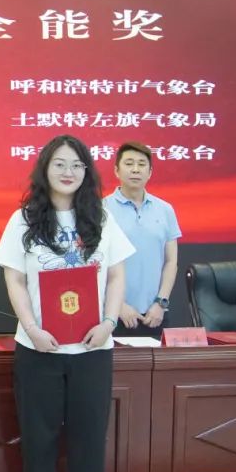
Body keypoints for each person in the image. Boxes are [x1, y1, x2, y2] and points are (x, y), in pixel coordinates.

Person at [0, 134, 134, 472]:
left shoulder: (101, 217)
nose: (68, 172)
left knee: (89, 440)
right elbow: (15, 279)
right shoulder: (24, 219)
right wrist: (31, 328)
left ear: (86, 172)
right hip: (39, 349)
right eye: (59, 164)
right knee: (40, 440)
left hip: (93, 348)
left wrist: (108, 323)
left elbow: (116, 276)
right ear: (45, 169)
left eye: (76, 165)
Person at [103, 142, 182, 338]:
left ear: (150, 172)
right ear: (116, 170)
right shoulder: (101, 210)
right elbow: (94, 264)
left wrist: (161, 303)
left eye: (141, 164)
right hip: (112, 314)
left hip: (155, 315)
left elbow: (171, 261)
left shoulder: (165, 209)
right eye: (129, 163)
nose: (135, 169)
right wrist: (118, 305)